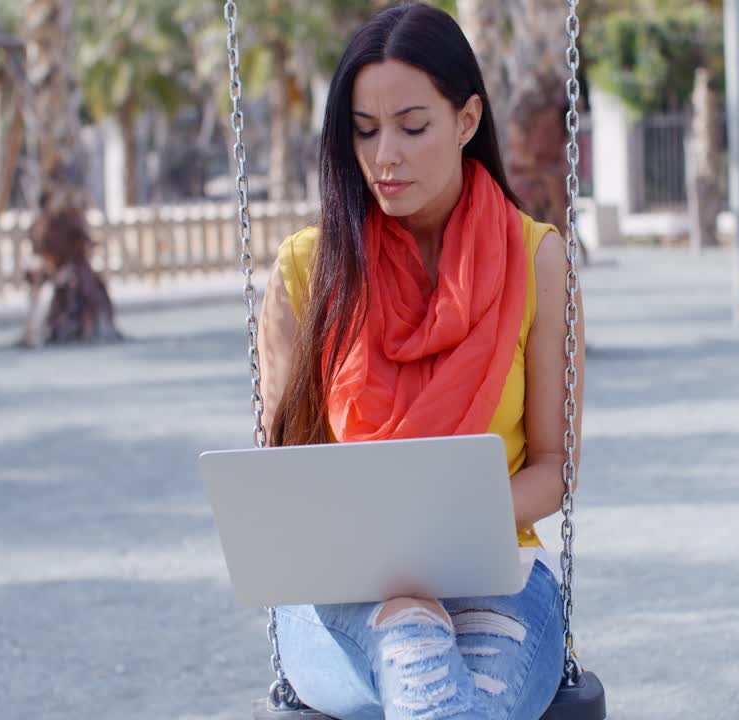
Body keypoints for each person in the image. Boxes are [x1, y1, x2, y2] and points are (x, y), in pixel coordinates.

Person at [255, 4, 586, 719]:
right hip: (344, 597)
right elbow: (283, 485)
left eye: (412, 127)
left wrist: (444, 529)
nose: (384, 158)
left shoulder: (537, 262)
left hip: (495, 574)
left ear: (466, 121)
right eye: (364, 131)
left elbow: (553, 469)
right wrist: (393, 564)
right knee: (411, 641)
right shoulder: (308, 272)